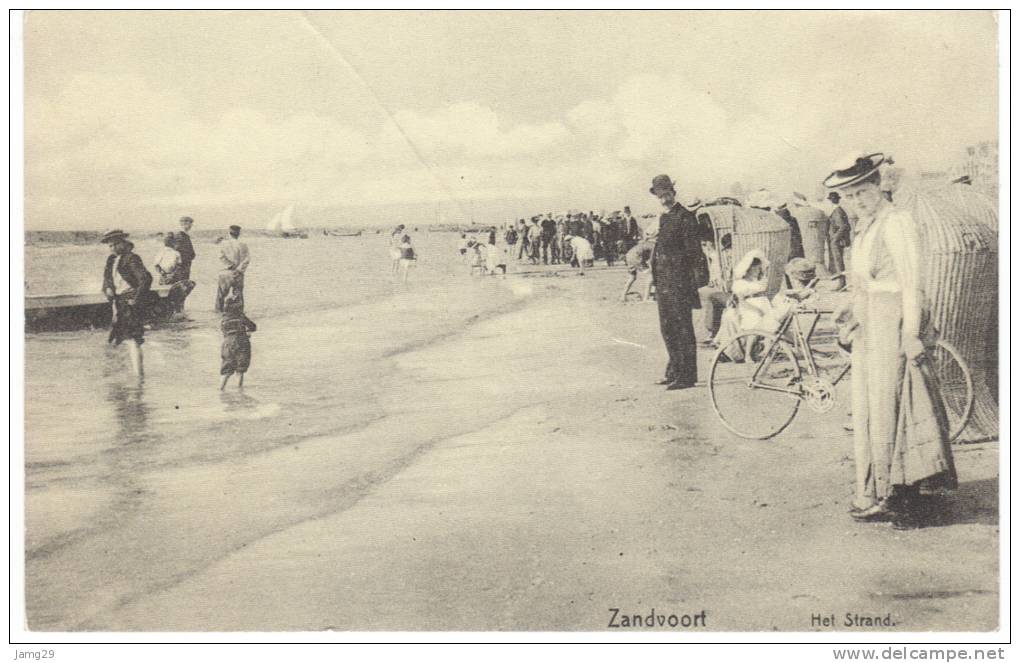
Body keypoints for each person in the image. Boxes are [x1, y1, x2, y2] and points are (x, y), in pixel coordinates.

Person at [824, 152, 956, 528]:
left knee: (897, 405)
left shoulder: (897, 222)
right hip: (871, 324)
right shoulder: (865, 227)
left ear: (878, 185)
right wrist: (851, 310)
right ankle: (877, 491)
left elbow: (912, 284)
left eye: (861, 192)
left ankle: (905, 497)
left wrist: (912, 334)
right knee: (870, 409)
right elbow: (863, 282)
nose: (855, 202)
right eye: (848, 197)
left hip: (893, 321)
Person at [648, 175, 710, 389]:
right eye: (660, 196)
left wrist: (697, 283)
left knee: (682, 328)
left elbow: (695, 253)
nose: (664, 200)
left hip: (680, 283)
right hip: (664, 283)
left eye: (666, 195)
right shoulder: (664, 218)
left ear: (673, 193)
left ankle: (687, 376)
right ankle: (674, 370)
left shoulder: (685, 217)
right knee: (668, 328)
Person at [101, 230, 153, 376]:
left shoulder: (132, 258)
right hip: (118, 303)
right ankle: (119, 373)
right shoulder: (111, 260)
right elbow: (107, 279)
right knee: (116, 340)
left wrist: (136, 299)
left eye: (114, 245)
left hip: (130, 304)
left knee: (132, 340)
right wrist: (108, 288)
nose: (111, 248)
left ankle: (139, 376)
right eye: (109, 245)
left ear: (123, 243)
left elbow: (146, 279)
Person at [699, 233, 733, 343]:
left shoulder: (737, 261)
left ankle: (713, 331)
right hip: (733, 293)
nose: (727, 253)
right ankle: (713, 331)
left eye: (728, 250)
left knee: (712, 297)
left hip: (738, 296)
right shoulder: (733, 260)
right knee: (712, 296)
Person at [219, 294, 257, 390]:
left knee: (226, 369)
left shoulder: (224, 319)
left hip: (227, 343)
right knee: (240, 370)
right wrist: (246, 332)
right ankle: (239, 392)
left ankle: (220, 389)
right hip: (241, 342)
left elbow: (225, 332)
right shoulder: (241, 317)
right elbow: (253, 327)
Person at [153, 232, 195, 315]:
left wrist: (163, 274)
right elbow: (179, 265)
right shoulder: (176, 253)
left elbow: (156, 265)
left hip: (164, 276)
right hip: (175, 275)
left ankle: (167, 312)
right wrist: (172, 275)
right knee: (177, 295)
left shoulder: (161, 252)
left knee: (164, 295)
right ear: (173, 243)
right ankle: (177, 311)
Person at [216, 225, 250, 312]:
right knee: (238, 295)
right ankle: (239, 313)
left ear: (229, 233)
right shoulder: (243, 245)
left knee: (221, 296)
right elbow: (247, 259)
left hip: (225, 272)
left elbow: (221, 257)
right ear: (238, 234)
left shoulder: (223, 244)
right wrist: (239, 269)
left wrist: (230, 265)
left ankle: (219, 314)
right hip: (238, 273)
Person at [827, 191, 852, 290]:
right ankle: (841, 283)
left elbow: (843, 226)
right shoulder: (838, 210)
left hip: (837, 241)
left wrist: (834, 239)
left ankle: (842, 284)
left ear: (832, 201)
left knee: (838, 261)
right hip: (838, 240)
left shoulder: (837, 211)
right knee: (838, 261)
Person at [620, 236, 656, 302]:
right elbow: (651, 260)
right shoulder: (654, 245)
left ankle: (622, 296)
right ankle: (646, 298)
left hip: (629, 255)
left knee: (632, 277)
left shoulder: (646, 243)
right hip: (636, 257)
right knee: (650, 276)